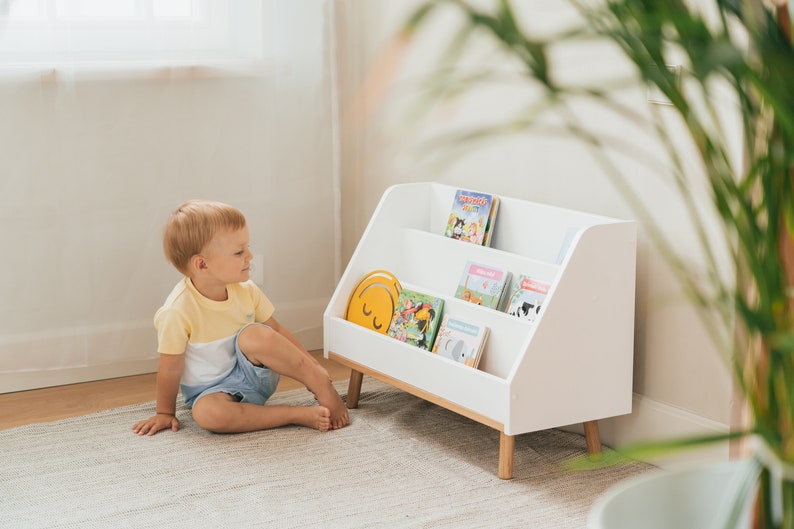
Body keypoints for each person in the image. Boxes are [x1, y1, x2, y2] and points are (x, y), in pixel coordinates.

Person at [132, 199, 349, 436]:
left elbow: (277, 332)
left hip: (254, 374)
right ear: (202, 264)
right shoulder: (177, 311)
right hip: (212, 393)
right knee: (206, 415)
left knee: (255, 334)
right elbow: (170, 368)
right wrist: (165, 412)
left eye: (247, 247)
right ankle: (294, 414)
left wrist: (313, 365)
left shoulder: (246, 291)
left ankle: (318, 382)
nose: (250, 256)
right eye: (239, 252)